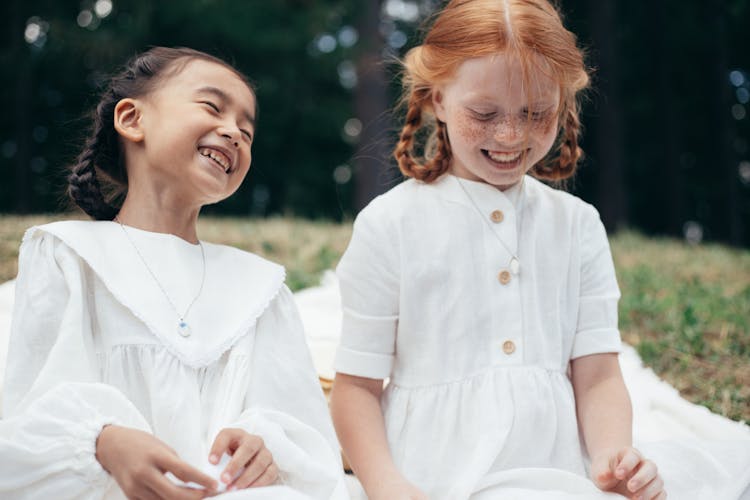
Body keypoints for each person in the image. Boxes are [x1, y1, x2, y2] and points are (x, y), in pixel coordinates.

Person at [328, 1, 667, 499]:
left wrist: (612, 457)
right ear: (438, 99)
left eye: (535, 114)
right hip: (427, 474)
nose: (509, 136)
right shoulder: (390, 224)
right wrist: (387, 487)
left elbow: (596, 376)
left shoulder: (577, 226)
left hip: (555, 472)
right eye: (484, 114)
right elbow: (355, 388)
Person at [0, 47, 348, 500]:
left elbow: (304, 435)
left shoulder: (260, 288)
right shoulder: (69, 257)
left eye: (247, 129)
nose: (235, 132)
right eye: (212, 106)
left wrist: (266, 448)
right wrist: (103, 441)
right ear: (132, 119)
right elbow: (28, 415)